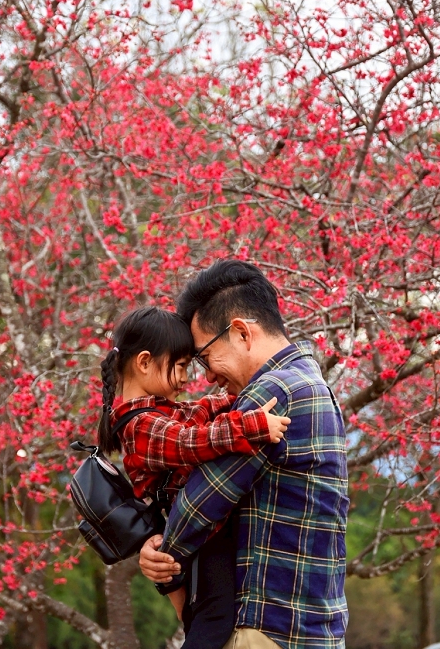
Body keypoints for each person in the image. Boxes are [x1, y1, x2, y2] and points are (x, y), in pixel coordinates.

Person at [138, 260, 350, 649]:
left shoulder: (272, 393)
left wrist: (161, 557)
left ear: (240, 332)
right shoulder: (310, 382)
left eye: (204, 357)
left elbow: (200, 504)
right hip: (308, 628)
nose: (208, 377)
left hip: (266, 629)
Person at [98, 306, 291, 648]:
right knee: (213, 619)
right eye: (182, 365)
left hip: (196, 534)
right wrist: (251, 425)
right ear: (144, 362)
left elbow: (197, 411)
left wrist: (237, 400)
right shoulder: (139, 426)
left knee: (212, 615)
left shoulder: (156, 410)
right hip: (196, 538)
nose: (187, 377)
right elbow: (190, 441)